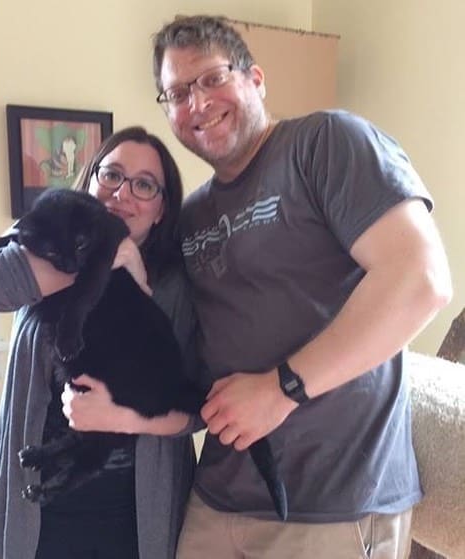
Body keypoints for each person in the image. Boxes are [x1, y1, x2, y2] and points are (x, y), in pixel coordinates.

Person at [151, 14, 453, 559]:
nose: (196, 103)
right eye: (176, 93)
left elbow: (420, 280)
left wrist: (281, 388)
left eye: (212, 79)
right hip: (219, 495)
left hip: (336, 504)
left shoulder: (325, 143)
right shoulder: (191, 215)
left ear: (255, 79)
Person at [0, 126, 202, 559]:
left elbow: (196, 410)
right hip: (37, 512)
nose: (122, 193)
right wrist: (107, 254)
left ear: (161, 209)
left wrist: (126, 419)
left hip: (134, 515)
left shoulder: (176, 287)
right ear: (90, 181)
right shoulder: (45, 246)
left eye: (144, 185)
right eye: (111, 175)